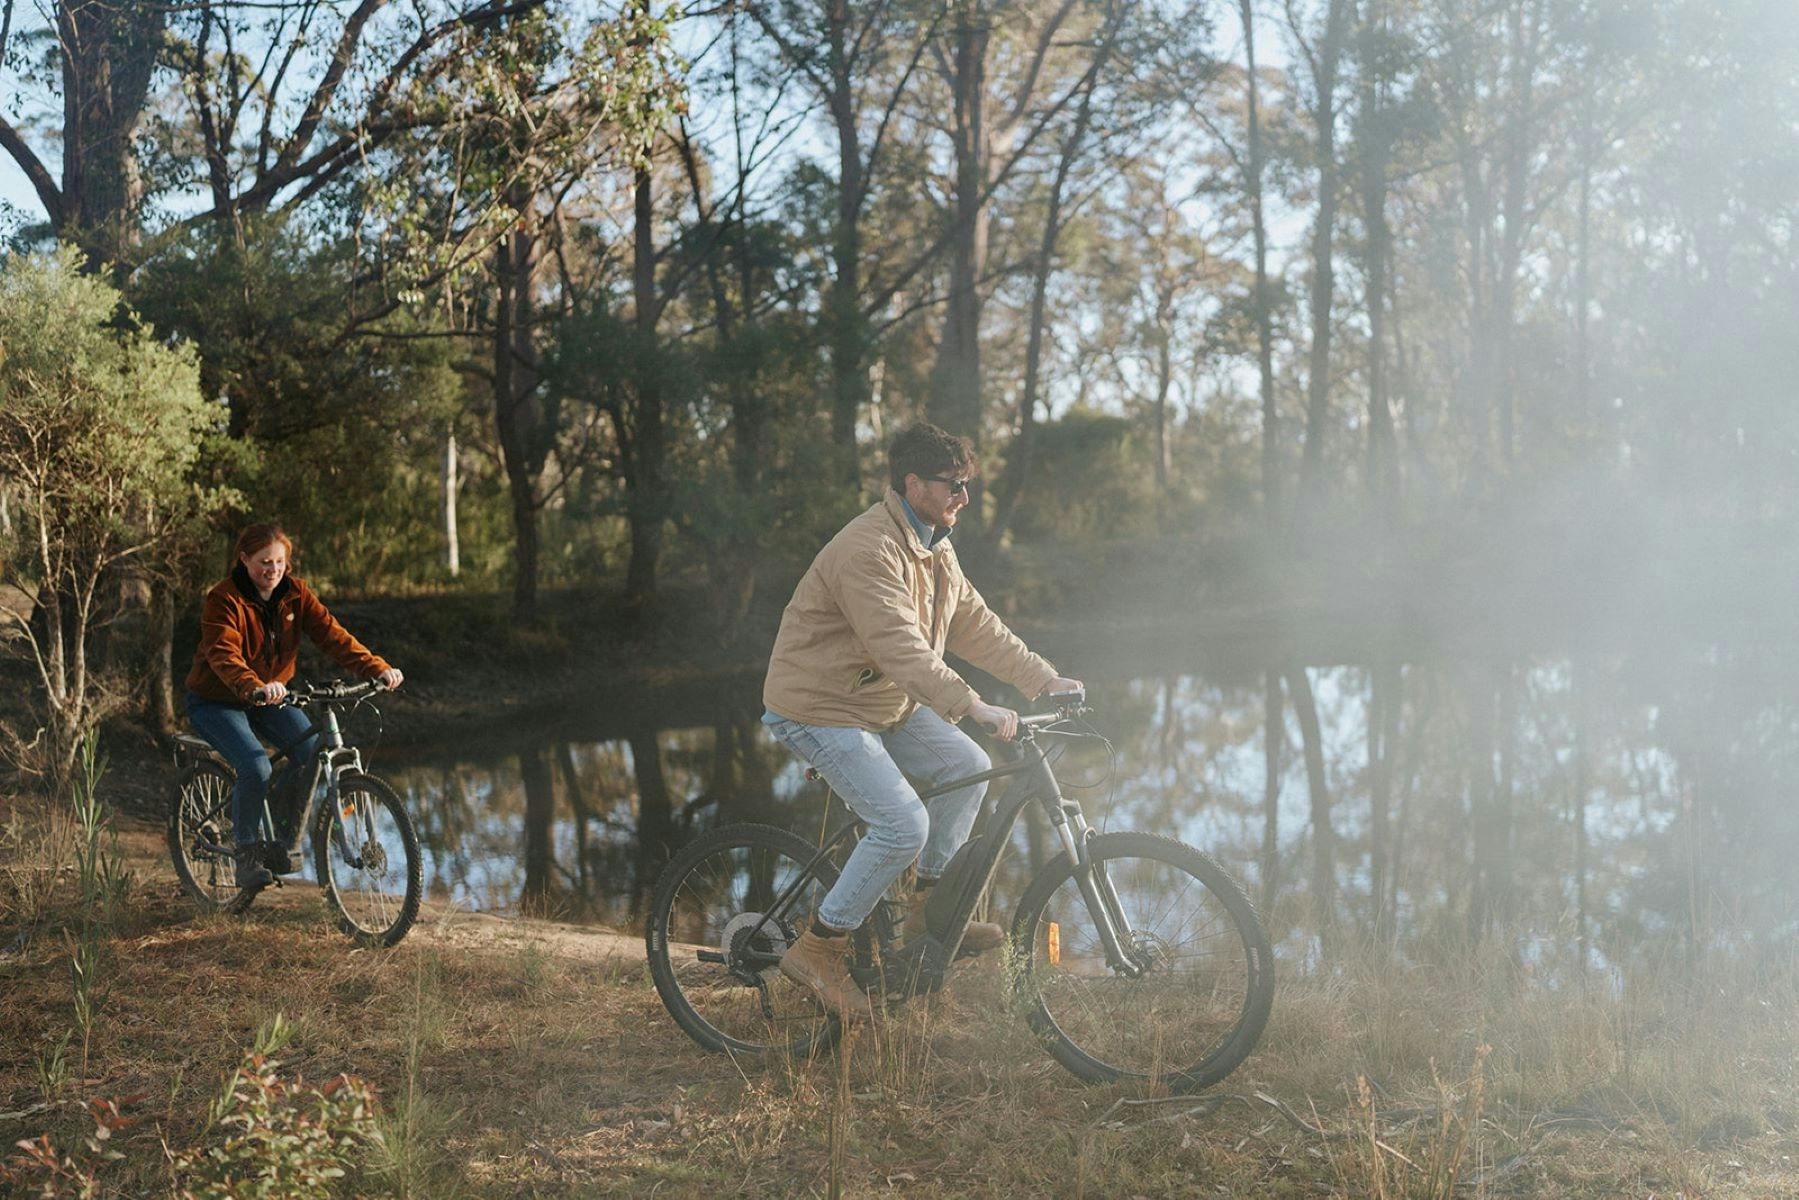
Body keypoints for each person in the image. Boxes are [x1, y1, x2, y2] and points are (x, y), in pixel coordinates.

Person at [762, 423, 1082, 1019]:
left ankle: (925, 918)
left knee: (970, 763)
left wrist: (1042, 678)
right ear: (913, 484)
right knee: (901, 823)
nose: (965, 496)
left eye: (968, 485)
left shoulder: (934, 545)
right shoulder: (867, 549)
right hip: (819, 705)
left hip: (881, 699)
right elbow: (899, 646)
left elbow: (974, 625)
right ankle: (818, 949)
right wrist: (972, 704)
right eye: (953, 485)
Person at [184, 523, 404, 891]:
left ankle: (283, 836)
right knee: (254, 765)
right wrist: (254, 686)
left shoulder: (296, 594)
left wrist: (376, 667)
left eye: (280, 562)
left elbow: (333, 636)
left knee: (311, 755)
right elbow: (223, 653)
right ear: (243, 560)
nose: (272, 570)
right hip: (217, 699)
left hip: (270, 697)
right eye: (263, 562)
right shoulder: (223, 599)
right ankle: (247, 854)